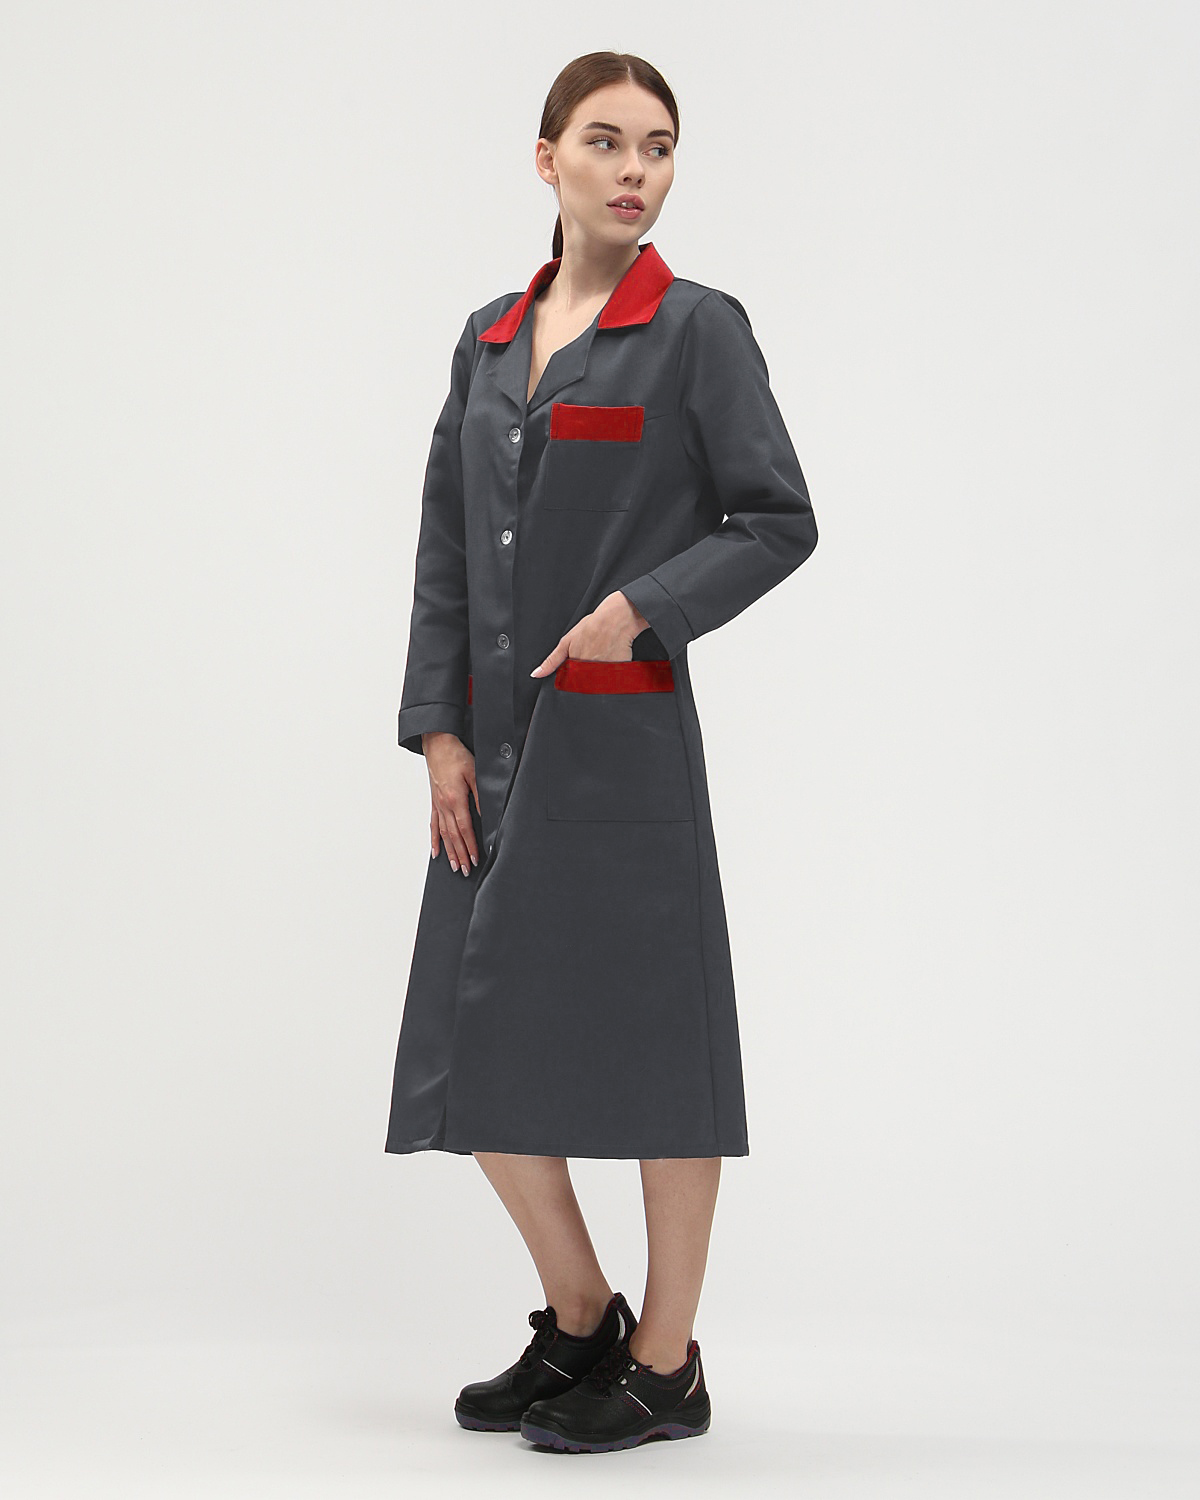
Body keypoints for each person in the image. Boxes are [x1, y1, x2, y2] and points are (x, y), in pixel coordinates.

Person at [384, 52, 818, 1454]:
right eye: (607, 141)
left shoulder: (697, 331)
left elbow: (776, 518)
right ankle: (582, 1316)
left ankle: (667, 1360)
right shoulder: (488, 340)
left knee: (656, 1051)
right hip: (492, 752)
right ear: (547, 157)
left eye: (660, 147)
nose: (636, 170)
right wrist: (438, 730)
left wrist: (644, 607)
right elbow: (448, 545)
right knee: (470, 1041)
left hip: (621, 751)